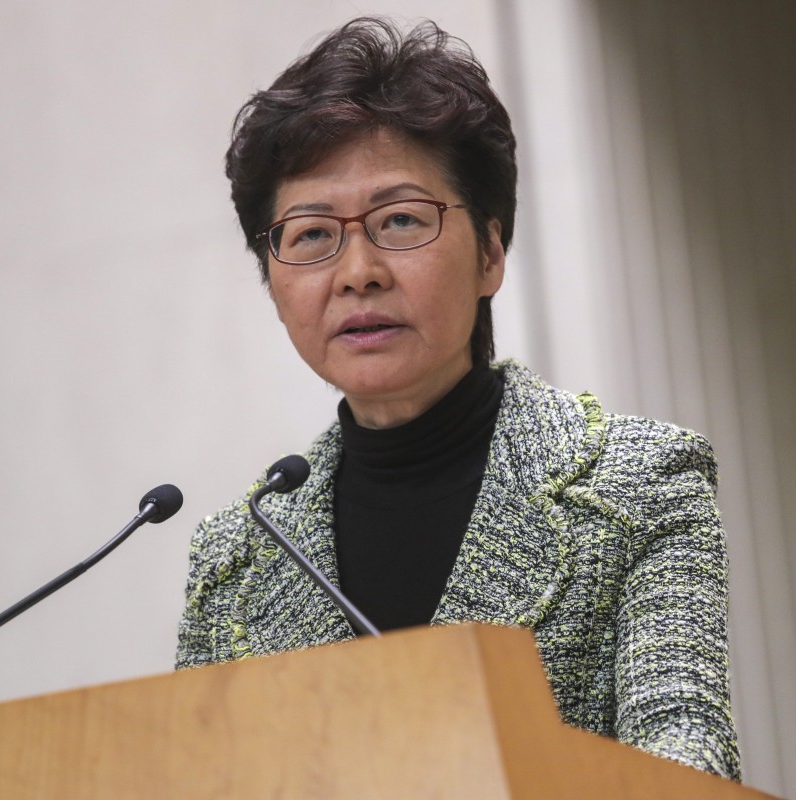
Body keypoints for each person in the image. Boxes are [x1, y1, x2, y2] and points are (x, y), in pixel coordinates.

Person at [176, 17, 741, 781]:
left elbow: (686, 759)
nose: (359, 272)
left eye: (400, 220)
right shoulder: (237, 556)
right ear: (273, 283)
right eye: (311, 235)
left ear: (491, 252)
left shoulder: (639, 483)